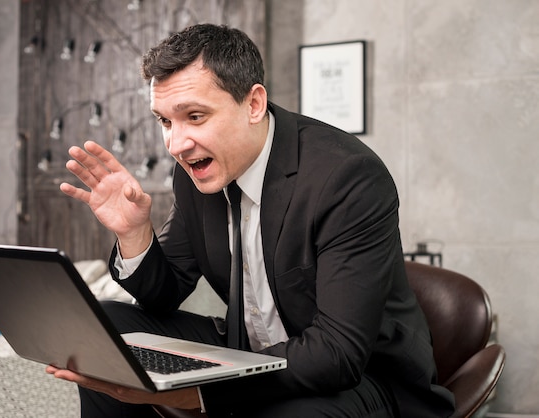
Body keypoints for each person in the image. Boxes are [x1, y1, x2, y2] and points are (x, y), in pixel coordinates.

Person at [47, 23, 455, 417]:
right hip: (250, 352)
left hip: (366, 378)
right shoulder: (197, 169)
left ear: (254, 104)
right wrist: (135, 233)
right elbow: (163, 295)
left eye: (195, 116)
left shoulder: (347, 178)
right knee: (105, 326)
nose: (176, 144)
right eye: (165, 121)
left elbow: (337, 354)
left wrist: (202, 393)